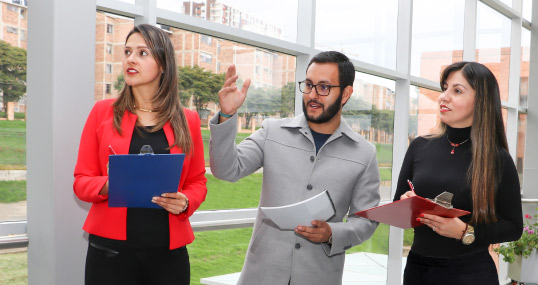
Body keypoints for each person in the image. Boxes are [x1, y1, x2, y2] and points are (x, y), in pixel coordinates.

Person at [209, 51, 380, 284]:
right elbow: (226, 169)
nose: (312, 95)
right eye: (308, 85)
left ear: (346, 93)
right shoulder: (272, 131)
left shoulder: (364, 153)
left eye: (323, 87)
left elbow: (366, 220)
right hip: (261, 274)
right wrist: (227, 115)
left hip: (319, 276)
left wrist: (333, 233)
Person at [73, 24, 207, 285]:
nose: (130, 59)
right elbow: (81, 181)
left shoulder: (188, 119)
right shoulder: (102, 112)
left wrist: (186, 202)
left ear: (163, 64)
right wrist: (112, 184)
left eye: (143, 53)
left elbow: (198, 181)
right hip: (110, 254)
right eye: (127, 51)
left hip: (169, 256)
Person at [393, 61, 523, 284]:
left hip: (471, 273)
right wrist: (407, 203)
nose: (444, 97)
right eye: (444, 88)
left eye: (457, 90)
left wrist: (466, 232)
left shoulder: (497, 158)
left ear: (480, 101)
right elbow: (398, 205)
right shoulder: (419, 146)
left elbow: (513, 227)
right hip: (418, 269)